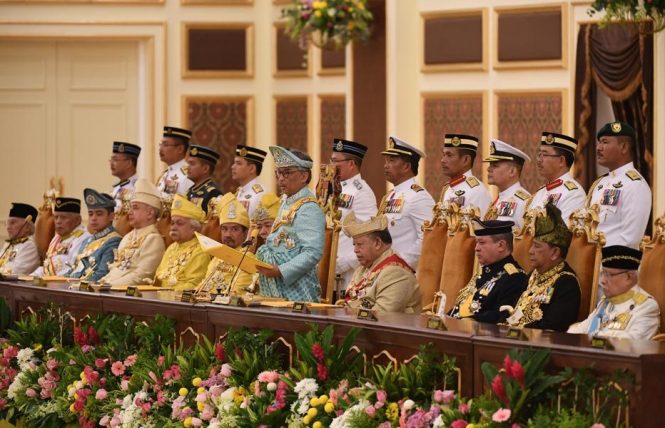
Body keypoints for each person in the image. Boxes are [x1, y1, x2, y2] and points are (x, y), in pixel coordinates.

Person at [256, 146, 325, 302]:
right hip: (277, 281)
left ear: (304, 176)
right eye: (278, 173)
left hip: (298, 288)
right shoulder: (287, 201)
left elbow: (312, 253)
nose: (281, 178)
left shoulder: (308, 207)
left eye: (287, 173)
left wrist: (281, 270)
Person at [504, 203, 581, 331]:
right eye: (532, 245)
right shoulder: (534, 274)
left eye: (537, 246)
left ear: (555, 252)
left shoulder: (567, 283)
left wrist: (514, 331)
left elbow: (552, 328)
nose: (530, 251)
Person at [568, 245, 660, 340]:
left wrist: (591, 339)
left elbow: (631, 342)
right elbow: (584, 327)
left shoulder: (646, 307)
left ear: (629, 277)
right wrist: (568, 336)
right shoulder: (606, 301)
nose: (602, 281)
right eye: (603, 273)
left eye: (609, 275)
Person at [587, 121, 652, 249]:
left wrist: (599, 257)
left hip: (615, 260)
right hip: (591, 258)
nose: (598, 148)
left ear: (624, 147)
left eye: (605, 142)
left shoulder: (635, 184)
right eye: (599, 142)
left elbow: (631, 239)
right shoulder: (600, 183)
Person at [449, 220, 528, 323]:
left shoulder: (515, 278)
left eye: (482, 243)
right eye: (477, 242)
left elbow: (500, 317)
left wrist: (464, 322)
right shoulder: (484, 273)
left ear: (501, 245)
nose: (476, 248)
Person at [341, 213, 421, 313]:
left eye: (360, 244)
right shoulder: (363, 268)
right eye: (354, 245)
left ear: (378, 243)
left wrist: (349, 312)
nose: (355, 250)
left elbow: (380, 315)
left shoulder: (396, 272)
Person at [379, 136, 435, 270]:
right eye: (386, 160)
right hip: (385, 269)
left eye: (392, 160)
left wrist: (399, 263)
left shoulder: (419, 197)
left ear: (406, 166)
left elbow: (428, 239)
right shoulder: (390, 195)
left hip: (404, 272)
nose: (386, 165)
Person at [331, 138, 378, 290]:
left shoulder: (362, 192)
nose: (332, 166)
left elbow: (370, 235)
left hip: (346, 275)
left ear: (351, 164)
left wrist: (345, 263)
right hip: (327, 268)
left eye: (336, 161)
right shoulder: (332, 188)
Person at [101, 179, 166, 285]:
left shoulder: (153, 239)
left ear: (150, 213)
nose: (129, 212)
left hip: (129, 293)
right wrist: (101, 283)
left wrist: (110, 286)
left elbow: (142, 276)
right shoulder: (127, 237)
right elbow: (116, 268)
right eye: (130, 207)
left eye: (135, 208)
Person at [198, 193, 255, 295]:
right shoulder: (217, 257)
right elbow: (202, 286)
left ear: (245, 233)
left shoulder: (247, 258)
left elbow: (237, 293)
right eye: (224, 229)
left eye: (234, 229)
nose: (228, 234)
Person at [527, 132, 585, 225]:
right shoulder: (540, 193)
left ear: (561, 160)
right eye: (539, 154)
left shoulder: (574, 193)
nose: (539, 160)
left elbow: (564, 231)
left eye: (545, 155)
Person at [154, 195, 210, 291]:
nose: (173, 227)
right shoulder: (172, 247)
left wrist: (167, 292)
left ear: (194, 228)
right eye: (172, 223)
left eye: (179, 223)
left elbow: (194, 285)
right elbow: (159, 276)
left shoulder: (200, 251)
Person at [69, 189, 121, 282]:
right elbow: (74, 270)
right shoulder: (87, 241)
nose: (93, 218)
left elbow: (102, 274)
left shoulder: (114, 241)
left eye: (99, 214)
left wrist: (73, 283)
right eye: (90, 214)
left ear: (111, 216)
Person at [32, 198, 89, 277]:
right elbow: (47, 267)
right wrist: (31, 276)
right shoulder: (57, 238)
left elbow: (74, 270)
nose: (58, 221)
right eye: (56, 217)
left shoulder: (84, 239)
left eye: (63, 217)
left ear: (78, 220)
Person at [483, 139, 531, 229]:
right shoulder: (498, 200)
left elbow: (529, 236)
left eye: (495, 165)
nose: (488, 169)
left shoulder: (523, 202)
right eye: (490, 165)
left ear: (512, 171)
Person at [440, 133, 492, 217]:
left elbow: (479, 225)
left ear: (466, 160)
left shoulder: (476, 191)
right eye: (444, 155)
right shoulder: (448, 188)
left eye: (449, 155)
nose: (443, 160)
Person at [0, 203, 40, 275]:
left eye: (12, 223)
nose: (8, 227)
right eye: (7, 223)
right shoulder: (8, 244)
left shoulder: (29, 246)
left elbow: (16, 271)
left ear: (27, 227)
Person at [156, 126, 193, 198]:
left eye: (165, 145)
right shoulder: (164, 174)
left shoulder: (188, 175)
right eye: (160, 144)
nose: (160, 149)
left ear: (180, 149)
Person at [232, 144, 268, 218]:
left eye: (238, 163)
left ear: (252, 169)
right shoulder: (239, 192)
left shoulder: (260, 195)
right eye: (234, 163)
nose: (232, 167)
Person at [186, 144, 222, 215]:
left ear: (205, 169)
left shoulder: (213, 193)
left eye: (192, 164)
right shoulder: (190, 191)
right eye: (188, 163)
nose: (188, 167)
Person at [110, 141, 141, 211]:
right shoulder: (117, 188)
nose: (111, 163)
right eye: (111, 160)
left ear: (129, 163)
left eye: (115, 160)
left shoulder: (137, 188)